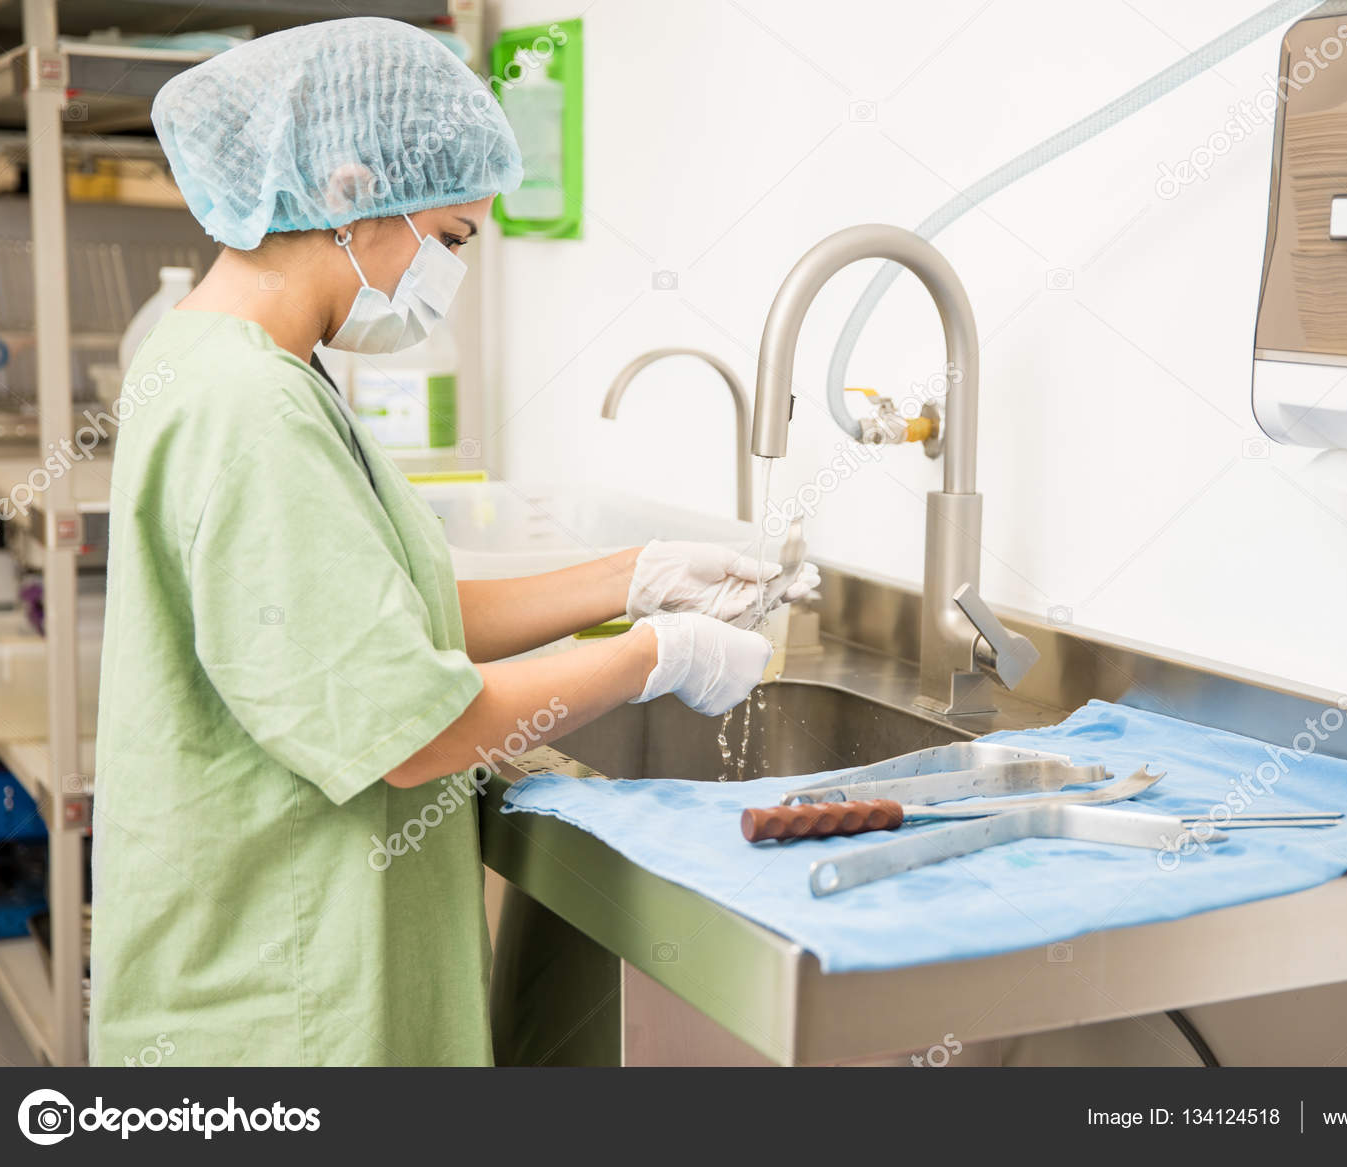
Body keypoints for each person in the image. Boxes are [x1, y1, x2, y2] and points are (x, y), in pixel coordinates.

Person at [89, 17, 815, 1067]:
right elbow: (408, 733)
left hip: (267, 953)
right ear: (346, 193)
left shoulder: (229, 362)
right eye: (454, 236)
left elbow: (375, 623)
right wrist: (653, 657)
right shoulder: (252, 409)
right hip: (279, 1003)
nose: (450, 272)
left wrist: (632, 577)